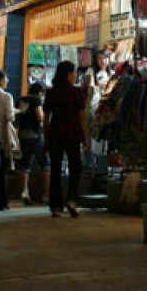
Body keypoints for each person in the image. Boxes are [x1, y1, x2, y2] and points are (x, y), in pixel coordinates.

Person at [44, 60, 87, 217]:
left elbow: (46, 117)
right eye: (73, 72)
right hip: (73, 133)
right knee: (75, 167)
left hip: (55, 133)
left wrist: (46, 135)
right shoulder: (77, 92)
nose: (75, 75)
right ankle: (72, 200)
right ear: (68, 74)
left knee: (55, 168)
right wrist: (86, 137)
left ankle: (56, 205)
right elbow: (82, 117)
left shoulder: (51, 92)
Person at [16, 83, 50, 205]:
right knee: (45, 165)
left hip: (23, 135)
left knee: (25, 164)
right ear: (40, 92)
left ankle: (24, 193)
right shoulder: (36, 100)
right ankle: (46, 195)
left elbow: (18, 117)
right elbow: (40, 117)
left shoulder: (21, 99)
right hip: (35, 136)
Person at [0, 69, 18, 211]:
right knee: (2, 171)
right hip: (3, 136)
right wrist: (16, 112)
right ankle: (2, 201)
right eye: (6, 79)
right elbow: (9, 117)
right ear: (1, 80)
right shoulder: (7, 97)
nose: (7, 81)